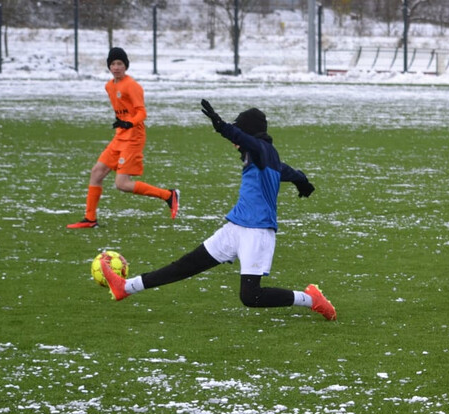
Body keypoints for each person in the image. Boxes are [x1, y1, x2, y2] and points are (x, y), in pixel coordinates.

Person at [98, 100, 336, 321]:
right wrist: (302, 181)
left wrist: (222, 126)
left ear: (249, 133)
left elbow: (252, 144)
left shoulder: (261, 149)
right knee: (186, 265)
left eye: (240, 133)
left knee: (251, 297)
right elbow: (287, 170)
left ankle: (311, 298)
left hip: (257, 232)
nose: (237, 139)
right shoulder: (262, 156)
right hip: (236, 228)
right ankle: (125, 287)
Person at [67, 47, 179, 229]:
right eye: (113, 64)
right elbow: (123, 110)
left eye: (120, 63)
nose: (116, 67)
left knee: (122, 184)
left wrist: (130, 123)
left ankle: (168, 195)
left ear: (125, 65)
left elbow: (142, 113)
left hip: (134, 137)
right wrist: (120, 122)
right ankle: (89, 219)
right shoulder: (109, 86)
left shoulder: (132, 86)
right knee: (96, 172)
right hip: (120, 136)